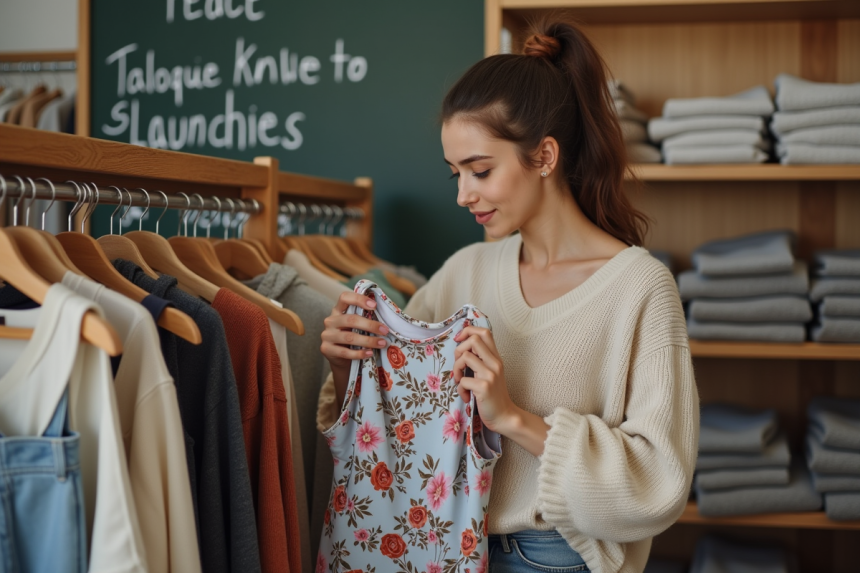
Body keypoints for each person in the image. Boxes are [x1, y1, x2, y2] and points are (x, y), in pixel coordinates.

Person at [318, 20, 699, 573]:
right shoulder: (463, 272)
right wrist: (344, 366)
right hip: (441, 551)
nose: (462, 195)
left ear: (544, 157)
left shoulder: (639, 288)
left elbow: (659, 480)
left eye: (480, 170)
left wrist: (513, 418)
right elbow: (390, 429)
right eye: (454, 174)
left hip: (553, 557)